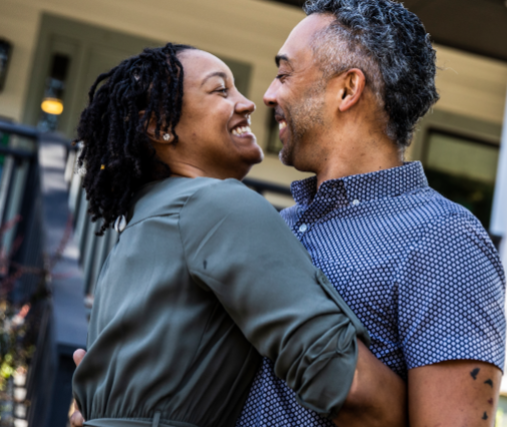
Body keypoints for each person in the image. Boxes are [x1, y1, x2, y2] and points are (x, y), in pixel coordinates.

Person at [69, 43, 407, 427]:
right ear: (160, 126)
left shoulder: (144, 226)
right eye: (220, 91)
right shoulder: (217, 205)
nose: (248, 103)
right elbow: (354, 389)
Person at [234, 1, 507, 426]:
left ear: (347, 89)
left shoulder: (444, 240)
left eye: (285, 74)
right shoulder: (279, 227)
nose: (268, 95)